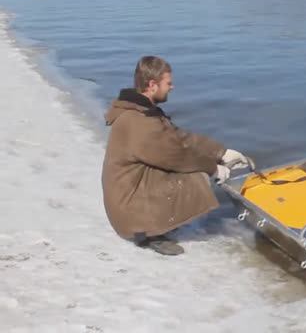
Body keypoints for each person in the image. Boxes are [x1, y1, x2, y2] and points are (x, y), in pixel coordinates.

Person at [101, 56, 249, 255]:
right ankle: (150, 233)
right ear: (152, 85)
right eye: (168, 83)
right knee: (197, 177)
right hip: (128, 212)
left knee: (193, 167)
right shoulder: (139, 122)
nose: (172, 87)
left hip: (129, 196)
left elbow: (181, 138)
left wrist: (222, 152)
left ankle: (153, 222)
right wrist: (213, 168)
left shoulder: (144, 111)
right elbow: (178, 156)